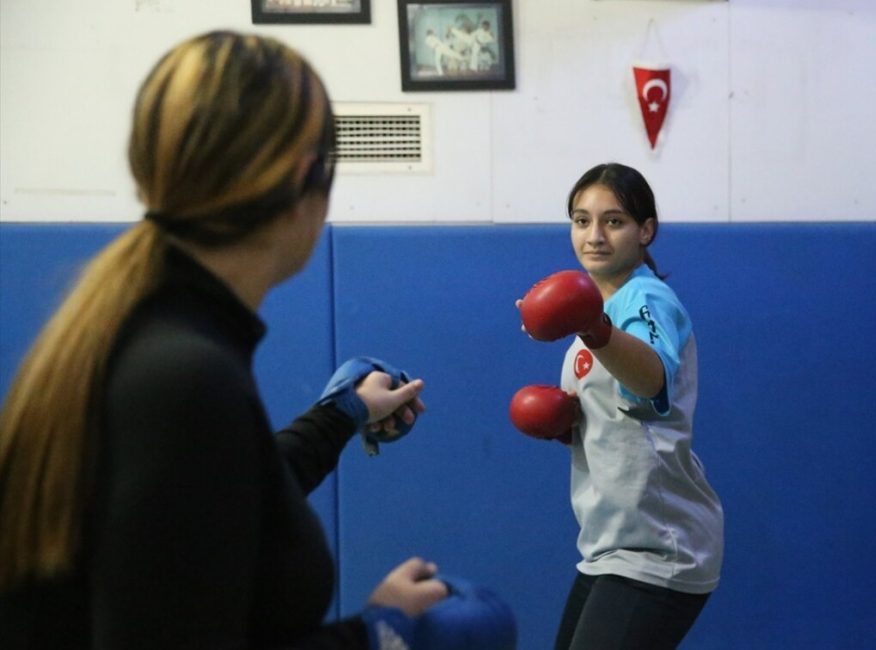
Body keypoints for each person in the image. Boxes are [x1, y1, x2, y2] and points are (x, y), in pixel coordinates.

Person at [0, 30, 514, 649]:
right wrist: (377, 635)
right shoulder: (180, 375)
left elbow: (217, 506)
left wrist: (343, 413)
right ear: (304, 179)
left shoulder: (144, 328)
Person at [512, 163, 724, 649]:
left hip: (659, 545)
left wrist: (594, 327)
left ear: (645, 230)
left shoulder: (645, 298)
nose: (595, 235)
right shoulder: (602, 307)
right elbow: (628, 412)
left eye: (614, 221)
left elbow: (651, 381)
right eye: (582, 220)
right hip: (610, 542)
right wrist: (566, 423)